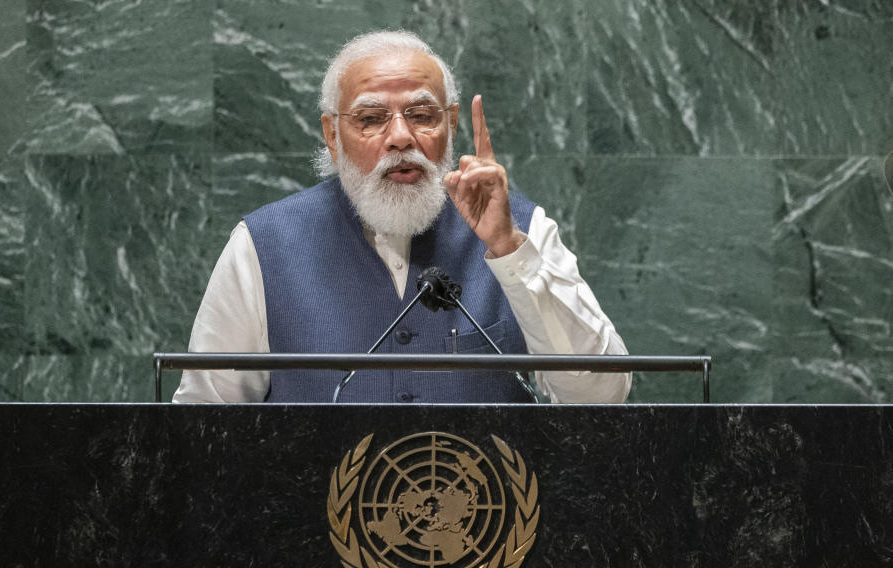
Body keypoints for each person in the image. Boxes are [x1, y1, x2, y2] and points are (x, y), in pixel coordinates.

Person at [173, 30, 631, 404]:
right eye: (371, 118)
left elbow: (602, 395)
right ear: (332, 136)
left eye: (421, 114)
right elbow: (203, 425)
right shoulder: (262, 245)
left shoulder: (522, 229)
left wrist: (510, 251)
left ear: (451, 125)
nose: (400, 137)